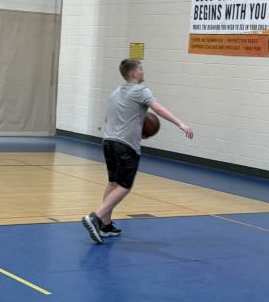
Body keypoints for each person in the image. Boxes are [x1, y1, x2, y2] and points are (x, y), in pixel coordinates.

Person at [82, 58, 193, 243]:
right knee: (125, 186)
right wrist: (180, 124)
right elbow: (158, 109)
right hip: (125, 145)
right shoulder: (141, 90)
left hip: (108, 141)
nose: (143, 72)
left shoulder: (115, 92)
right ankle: (96, 217)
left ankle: (105, 225)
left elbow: (107, 118)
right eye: (141, 69)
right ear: (134, 73)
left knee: (113, 183)